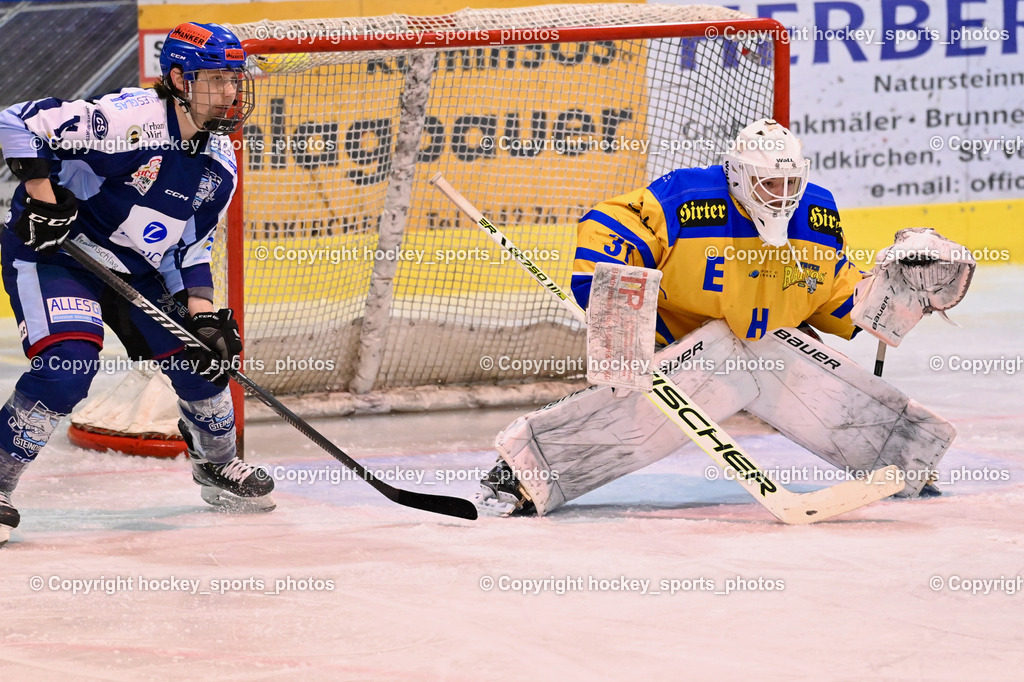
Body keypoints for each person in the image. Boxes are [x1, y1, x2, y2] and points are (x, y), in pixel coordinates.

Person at [477, 118, 974, 516]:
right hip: (684, 348)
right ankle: (525, 473)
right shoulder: (684, 198)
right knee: (632, 416)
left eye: (789, 181)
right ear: (737, 174)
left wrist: (897, 296)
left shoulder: (818, 213)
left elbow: (831, 295)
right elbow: (614, 222)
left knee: (827, 381)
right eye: (768, 181)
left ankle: (903, 461)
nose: (781, 193)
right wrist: (614, 300)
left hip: (766, 345)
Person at [0, 23, 274, 546]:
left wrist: (202, 314)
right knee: (66, 369)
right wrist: (40, 195)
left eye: (235, 78)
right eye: (216, 78)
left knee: (204, 361)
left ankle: (216, 464)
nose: (232, 92)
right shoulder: (126, 119)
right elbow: (16, 120)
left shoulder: (219, 161)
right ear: (178, 78)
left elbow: (193, 245)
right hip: (61, 253)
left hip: (138, 269)